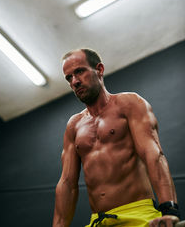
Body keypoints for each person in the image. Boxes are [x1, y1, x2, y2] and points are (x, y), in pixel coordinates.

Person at [52, 49, 180, 227]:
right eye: (69, 77)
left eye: (80, 71)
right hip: (98, 221)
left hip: (139, 216)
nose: (75, 81)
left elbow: (153, 155)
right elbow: (67, 183)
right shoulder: (74, 125)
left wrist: (169, 209)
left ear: (100, 69)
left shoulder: (129, 104)